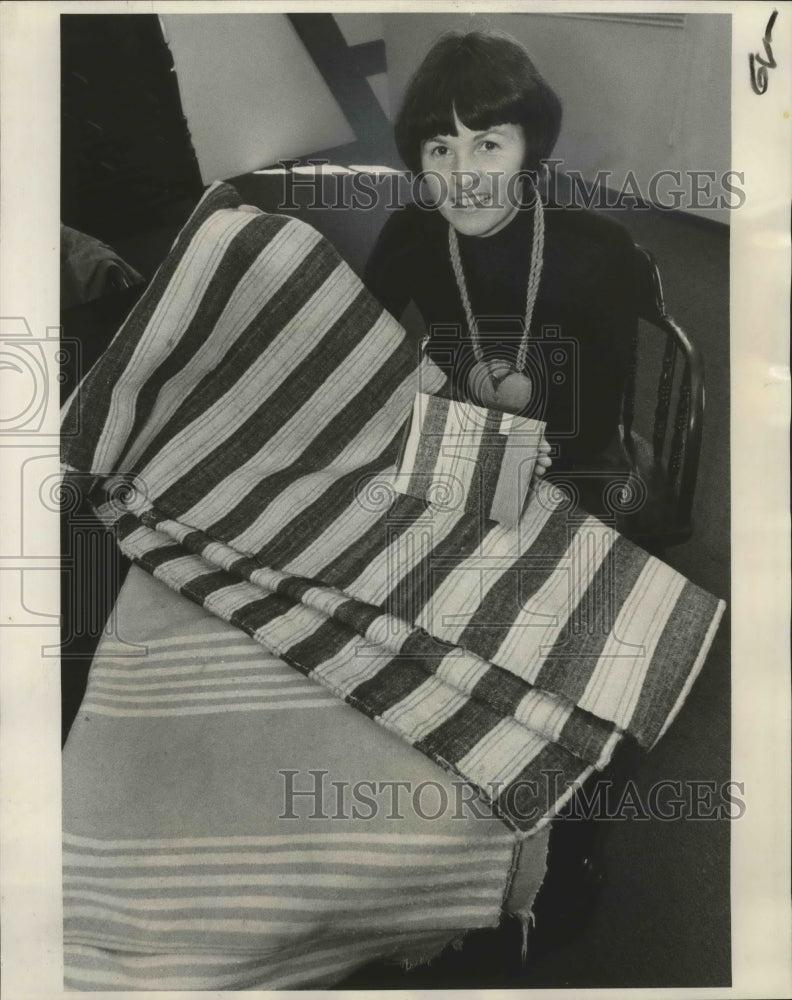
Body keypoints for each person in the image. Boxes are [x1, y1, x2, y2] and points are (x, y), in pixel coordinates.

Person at [365, 29, 637, 516]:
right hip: (458, 428)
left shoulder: (598, 249)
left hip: (570, 450)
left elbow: (596, 419)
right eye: (441, 150)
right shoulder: (412, 230)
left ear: (529, 149)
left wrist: (513, 458)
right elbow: (359, 344)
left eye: (488, 145)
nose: (462, 178)